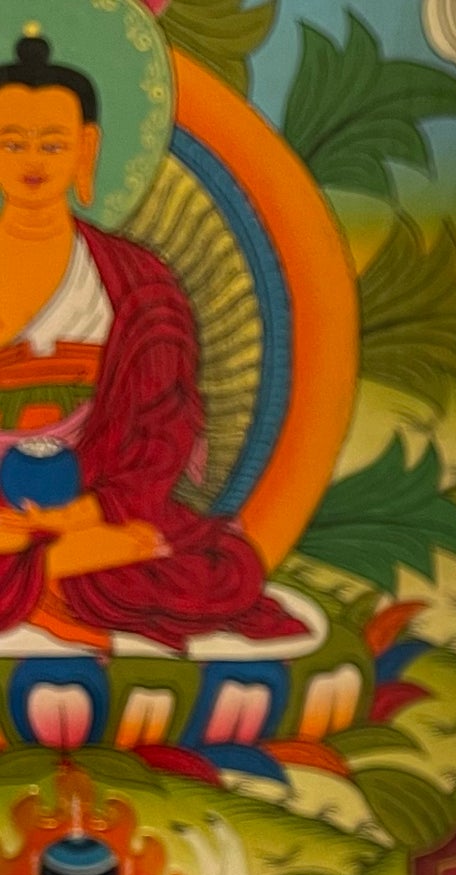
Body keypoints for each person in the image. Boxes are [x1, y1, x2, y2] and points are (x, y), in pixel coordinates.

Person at [0, 30, 305, 651]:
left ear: (88, 148)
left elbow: (162, 431)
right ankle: (56, 570)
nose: (32, 159)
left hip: (97, 503)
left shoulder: (137, 282)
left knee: (219, 573)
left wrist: (79, 516)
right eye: (12, 141)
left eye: (52, 142)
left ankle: (53, 571)